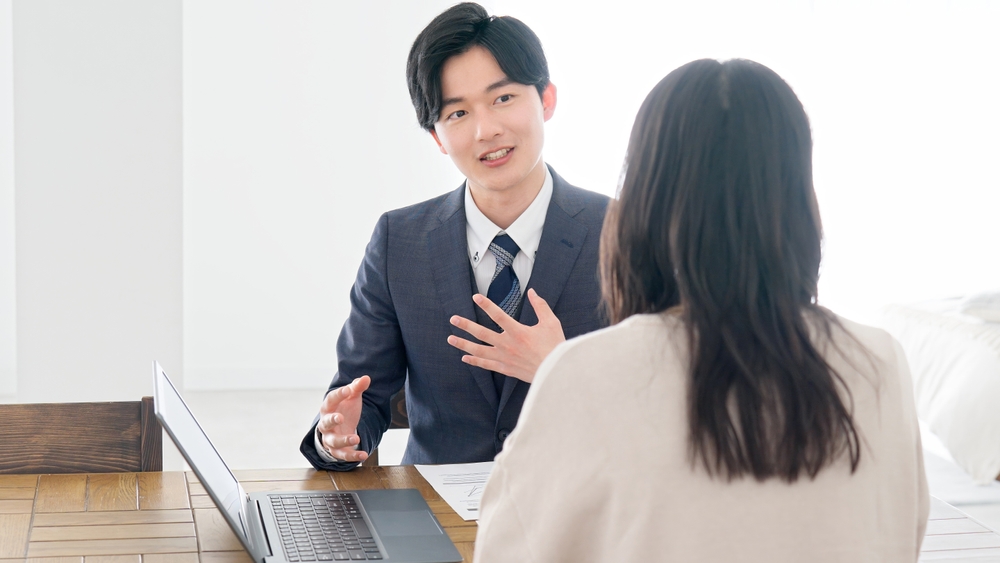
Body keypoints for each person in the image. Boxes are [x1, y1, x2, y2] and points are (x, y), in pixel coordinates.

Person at [474, 59, 929, 562]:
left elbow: (505, 551)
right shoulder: (880, 361)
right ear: (798, 197)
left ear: (645, 200)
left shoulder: (585, 372)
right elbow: (902, 539)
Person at [299, 3, 609, 469]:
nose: (487, 130)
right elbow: (363, 397)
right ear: (437, 137)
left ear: (546, 99)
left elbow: (670, 405)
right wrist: (338, 438)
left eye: (503, 99)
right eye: (458, 112)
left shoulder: (625, 233)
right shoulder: (397, 243)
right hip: (435, 517)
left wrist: (560, 370)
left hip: (581, 515)